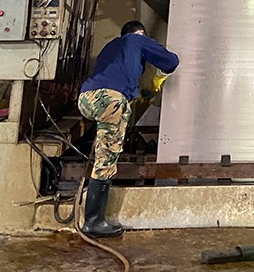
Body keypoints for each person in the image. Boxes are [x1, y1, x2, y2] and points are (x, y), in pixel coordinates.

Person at [77, 21, 179, 237]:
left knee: (103, 148)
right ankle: (94, 221)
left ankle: (93, 217)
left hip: (86, 99)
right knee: (106, 159)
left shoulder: (111, 47)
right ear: (139, 34)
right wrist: (160, 76)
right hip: (110, 99)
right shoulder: (136, 40)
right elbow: (171, 61)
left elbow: (116, 75)